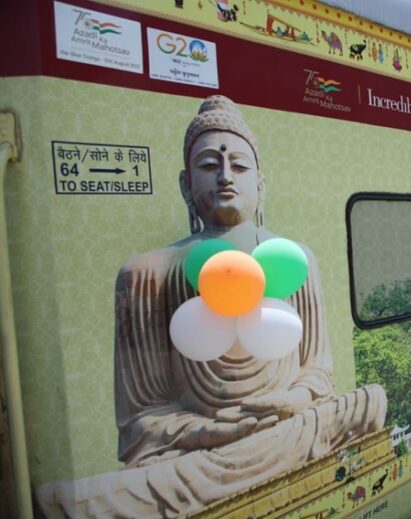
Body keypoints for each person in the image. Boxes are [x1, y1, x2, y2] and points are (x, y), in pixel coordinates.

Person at [36, 96, 387, 517]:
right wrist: (211, 432)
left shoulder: (295, 262)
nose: (225, 176)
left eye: (239, 166)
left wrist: (294, 400)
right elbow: (140, 422)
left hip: (292, 428)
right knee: (77, 503)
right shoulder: (146, 274)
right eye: (208, 165)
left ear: (261, 184)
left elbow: (318, 373)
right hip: (201, 458)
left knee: (370, 402)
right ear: (186, 185)